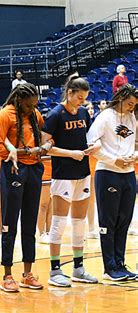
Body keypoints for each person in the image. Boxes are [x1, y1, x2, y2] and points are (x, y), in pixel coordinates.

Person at [41, 75, 99, 287]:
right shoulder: (56, 114)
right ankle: (55, 270)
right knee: (59, 222)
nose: (82, 102)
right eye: (79, 97)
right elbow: (44, 146)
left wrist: (92, 147)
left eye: (84, 98)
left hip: (82, 172)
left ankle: (78, 268)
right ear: (69, 93)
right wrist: (70, 153)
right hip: (63, 174)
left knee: (78, 222)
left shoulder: (83, 113)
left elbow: (88, 137)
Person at [0, 82, 50, 292]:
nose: (31, 108)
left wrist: (45, 146)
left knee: (29, 222)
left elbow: (45, 135)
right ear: (18, 100)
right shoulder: (6, 114)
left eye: (34, 104)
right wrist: (26, 151)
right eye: (28, 105)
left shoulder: (35, 114)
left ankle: (27, 273)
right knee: (9, 223)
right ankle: (7, 275)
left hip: (34, 170)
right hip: (13, 170)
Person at [87, 84, 138, 281]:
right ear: (121, 98)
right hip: (107, 172)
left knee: (124, 221)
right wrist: (112, 159)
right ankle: (109, 267)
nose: (132, 107)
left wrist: (133, 156)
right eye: (130, 103)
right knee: (108, 222)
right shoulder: (105, 117)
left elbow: (134, 144)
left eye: (134, 105)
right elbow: (90, 143)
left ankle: (120, 263)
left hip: (128, 174)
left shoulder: (132, 118)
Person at [37, 156, 52, 244]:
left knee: (51, 206)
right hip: (43, 174)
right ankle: (41, 233)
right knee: (43, 205)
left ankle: (49, 232)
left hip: (54, 173)